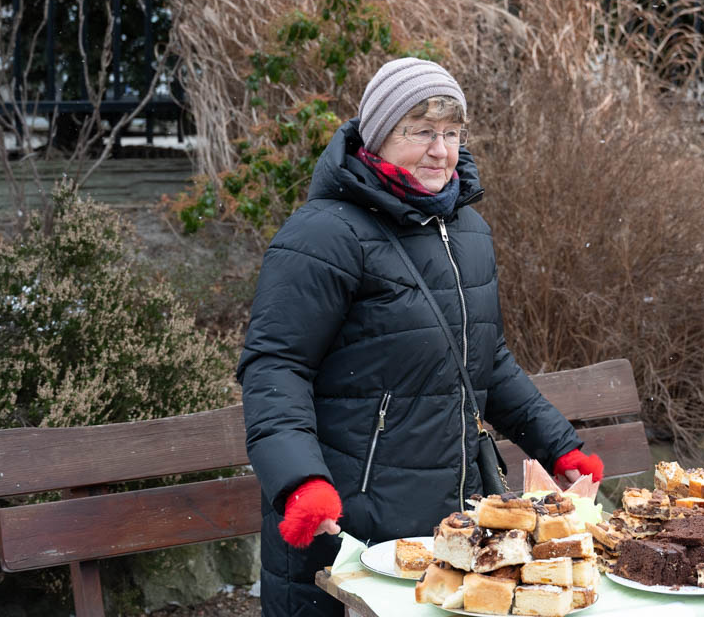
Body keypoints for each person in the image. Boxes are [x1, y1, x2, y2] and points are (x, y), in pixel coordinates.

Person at [237, 57, 605, 617]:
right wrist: (299, 482)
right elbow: (275, 367)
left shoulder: (466, 229)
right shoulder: (324, 235)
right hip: (349, 523)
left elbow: (485, 358)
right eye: (421, 132)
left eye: (452, 134)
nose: (441, 151)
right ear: (379, 136)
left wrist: (557, 444)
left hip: (449, 521)